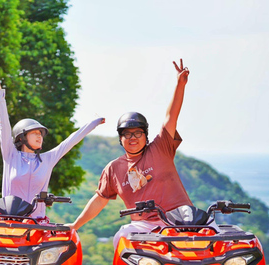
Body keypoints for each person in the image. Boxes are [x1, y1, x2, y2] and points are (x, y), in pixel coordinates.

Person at [66, 59, 193, 247]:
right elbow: (100, 200)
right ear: (120, 139)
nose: (132, 137)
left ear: (146, 135)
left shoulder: (161, 148)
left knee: (216, 239)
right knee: (122, 238)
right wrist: (76, 225)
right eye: (126, 134)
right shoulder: (114, 168)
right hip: (144, 226)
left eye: (138, 133)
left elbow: (170, 117)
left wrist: (180, 85)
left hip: (182, 219)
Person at [0, 66, 104, 223]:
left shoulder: (48, 159)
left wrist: (93, 123)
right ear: (21, 137)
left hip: (37, 224)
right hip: (9, 220)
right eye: (34, 133)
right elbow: (4, 125)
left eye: (40, 134)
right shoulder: (10, 156)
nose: (39, 136)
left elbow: (70, 141)